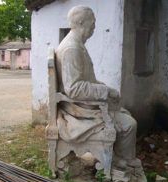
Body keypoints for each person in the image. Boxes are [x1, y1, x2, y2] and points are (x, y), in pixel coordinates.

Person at [55, 5, 141, 168]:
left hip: (83, 104)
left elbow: (85, 80)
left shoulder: (76, 44)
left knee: (122, 112)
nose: (94, 26)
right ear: (81, 22)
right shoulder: (71, 49)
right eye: (92, 23)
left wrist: (105, 89)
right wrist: (105, 91)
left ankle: (116, 157)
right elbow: (74, 88)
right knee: (129, 124)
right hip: (79, 109)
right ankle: (120, 163)